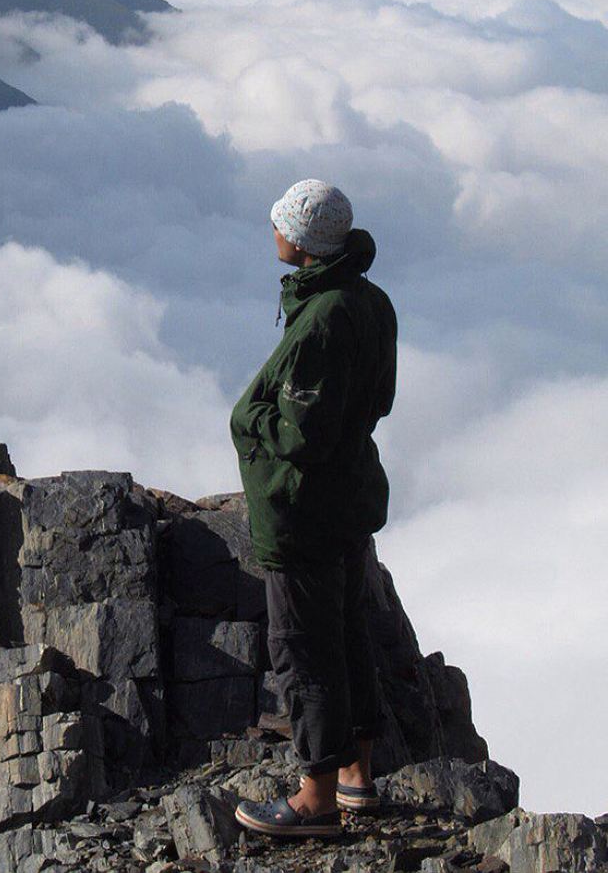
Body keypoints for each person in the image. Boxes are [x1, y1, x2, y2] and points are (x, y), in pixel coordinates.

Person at [229, 179, 397, 838]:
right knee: (348, 632)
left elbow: (303, 433)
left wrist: (255, 418)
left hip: (302, 511)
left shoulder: (324, 316)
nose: (273, 233)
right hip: (350, 497)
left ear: (299, 240)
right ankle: (357, 778)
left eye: (280, 225)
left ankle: (313, 799)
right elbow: (374, 401)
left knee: (303, 648)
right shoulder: (369, 302)